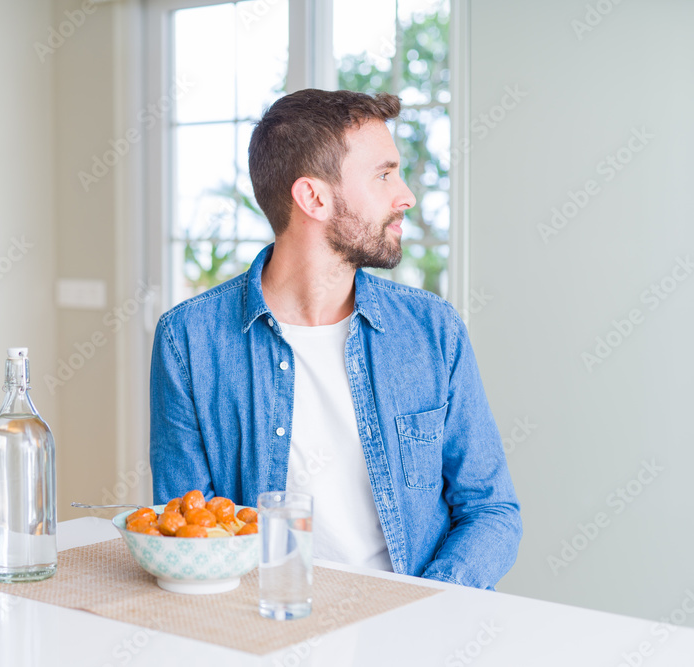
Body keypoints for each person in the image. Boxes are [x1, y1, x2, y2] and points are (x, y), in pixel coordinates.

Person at [149, 88, 521, 590]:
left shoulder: (433, 331)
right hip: (267, 623)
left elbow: (491, 511)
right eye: (384, 174)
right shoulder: (189, 340)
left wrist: (423, 603)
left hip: (416, 625)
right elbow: (189, 534)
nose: (405, 194)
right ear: (314, 198)